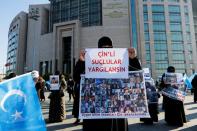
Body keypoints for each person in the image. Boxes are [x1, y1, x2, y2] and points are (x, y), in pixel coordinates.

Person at [74, 36, 140, 130]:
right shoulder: (90, 62)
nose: (106, 50)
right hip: (95, 113)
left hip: (116, 112)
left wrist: (133, 59)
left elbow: (136, 77)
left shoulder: (120, 63)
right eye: (103, 47)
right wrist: (80, 61)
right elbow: (77, 78)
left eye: (109, 47)